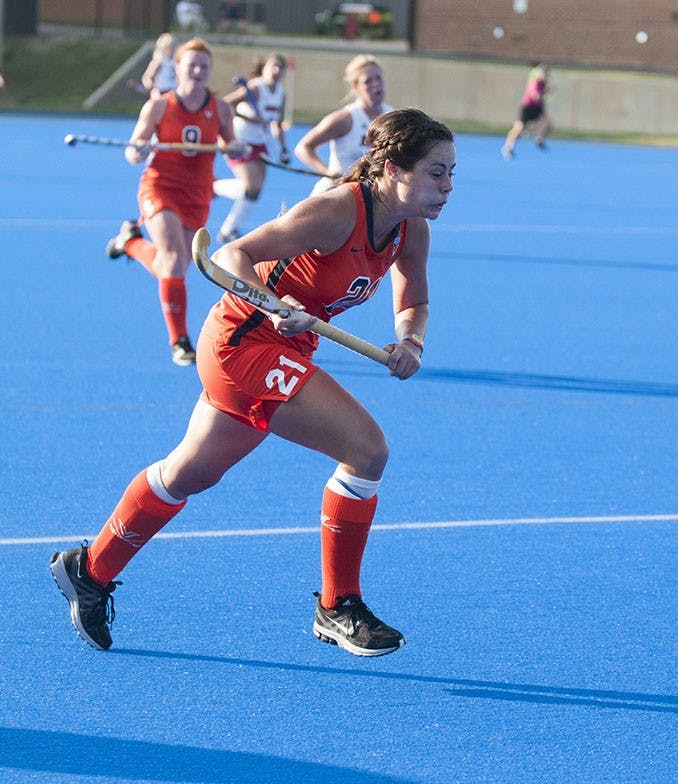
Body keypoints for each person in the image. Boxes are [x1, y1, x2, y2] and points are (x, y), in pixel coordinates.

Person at [50, 108, 455, 658]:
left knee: (188, 474)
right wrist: (273, 302)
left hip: (284, 346)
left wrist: (411, 340)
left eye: (451, 173)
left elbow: (415, 300)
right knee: (368, 451)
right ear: (392, 168)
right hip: (245, 342)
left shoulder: (411, 231)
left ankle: (89, 569)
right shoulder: (338, 211)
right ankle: (338, 606)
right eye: (436, 172)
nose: (447, 186)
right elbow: (229, 254)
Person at [104, 38, 244, 366]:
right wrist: (137, 150)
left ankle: (130, 244)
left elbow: (232, 143)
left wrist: (235, 149)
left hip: (197, 194)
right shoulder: (158, 106)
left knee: (178, 265)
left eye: (204, 67)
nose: (197, 71)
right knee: (172, 258)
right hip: (160, 187)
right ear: (178, 68)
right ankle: (180, 341)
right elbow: (133, 150)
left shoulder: (220, 108)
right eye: (191, 65)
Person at [213, 53, 291, 244]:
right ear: (264, 67)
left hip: (259, 142)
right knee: (250, 186)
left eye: (280, 67)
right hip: (240, 140)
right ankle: (212, 186)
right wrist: (250, 118)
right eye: (273, 66)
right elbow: (225, 105)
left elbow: (277, 125)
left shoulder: (281, 93)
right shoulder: (255, 88)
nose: (276, 70)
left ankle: (227, 230)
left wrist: (283, 148)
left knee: (255, 191)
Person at [293, 54, 392, 196]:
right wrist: (327, 172)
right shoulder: (346, 119)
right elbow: (303, 147)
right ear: (356, 87)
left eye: (378, 78)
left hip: (371, 196)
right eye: (367, 81)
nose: (375, 85)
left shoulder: (392, 117)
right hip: (336, 193)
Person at [501, 63, 552, 160]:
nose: (545, 75)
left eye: (546, 74)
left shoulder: (543, 84)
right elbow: (534, 96)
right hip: (528, 107)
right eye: (543, 73)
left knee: (547, 124)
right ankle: (508, 147)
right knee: (518, 128)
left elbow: (541, 98)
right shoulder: (534, 82)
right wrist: (544, 92)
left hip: (538, 108)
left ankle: (539, 140)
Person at [139, 32, 177, 97]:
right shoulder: (159, 61)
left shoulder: (177, 61)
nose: (173, 49)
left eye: (174, 46)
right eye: (170, 47)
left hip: (175, 92)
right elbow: (146, 77)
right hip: (162, 92)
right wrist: (152, 89)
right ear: (164, 48)